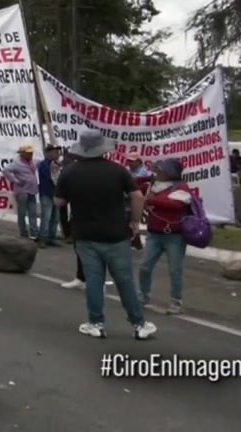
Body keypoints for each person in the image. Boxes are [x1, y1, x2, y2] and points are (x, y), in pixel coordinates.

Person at [55, 129, 156, 340]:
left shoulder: (69, 172)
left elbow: (59, 202)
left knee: (94, 280)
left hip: (84, 233)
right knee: (125, 280)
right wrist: (135, 222)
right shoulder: (118, 171)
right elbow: (137, 197)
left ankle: (96, 323)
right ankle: (139, 325)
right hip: (116, 233)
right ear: (103, 148)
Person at [138, 158, 195, 315]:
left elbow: (176, 205)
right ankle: (143, 295)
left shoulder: (181, 187)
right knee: (145, 267)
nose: (157, 173)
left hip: (174, 236)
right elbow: (134, 186)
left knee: (175, 270)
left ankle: (176, 301)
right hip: (154, 233)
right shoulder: (152, 185)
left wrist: (152, 200)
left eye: (160, 170)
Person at [3, 144, 40, 240]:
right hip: (22, 192)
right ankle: (23, 233)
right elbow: (5, 170)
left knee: (33, 213)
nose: (30, 155)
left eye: (31, 153)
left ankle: (34, 233)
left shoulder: (32, 162)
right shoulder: (17, 163)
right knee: (22, 213)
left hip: (32, 191)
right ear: (22, 154)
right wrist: (15, 180)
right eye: (28, 153)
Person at [37, 144, 62, 246]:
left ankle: (51, 237)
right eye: (55, 152)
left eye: (58, 152)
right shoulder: (44, 164)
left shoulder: (57, 164)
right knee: (46, 217)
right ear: (48, 153)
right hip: (46, 193)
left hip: (56, 194)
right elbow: (49, 176)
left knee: (55, 218)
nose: (57, 154)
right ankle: (43, 238)